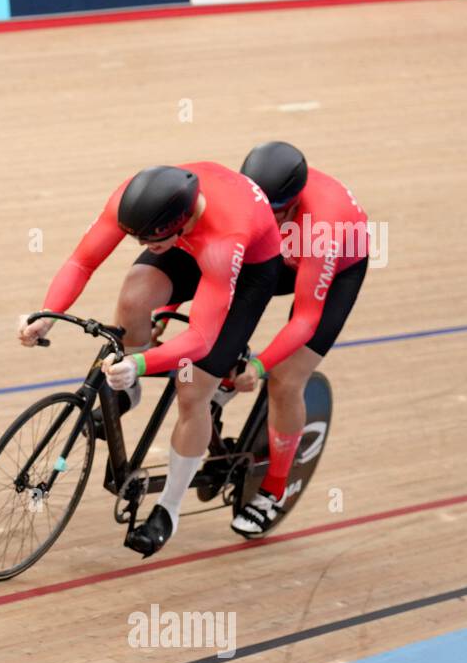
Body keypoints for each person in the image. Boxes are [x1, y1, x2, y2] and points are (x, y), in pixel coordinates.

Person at [17, 162, 280, 556]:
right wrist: (46, 315)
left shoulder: (225, 237)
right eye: (136, 238)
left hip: (247, 269)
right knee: (133, 297)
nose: (142, 247)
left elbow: (201, 336)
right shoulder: (134, 200)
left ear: (183, 221)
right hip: (190, 242)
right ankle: (131, 393)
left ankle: (169, 510)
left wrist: (138, 363)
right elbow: (82, 262)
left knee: (192, 390)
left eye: (150, 240)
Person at [230, 141, 369, 536]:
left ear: (291, 204)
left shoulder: (323, 227)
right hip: (287, 252)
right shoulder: (257, 203)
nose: (262, 218)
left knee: (285, 380)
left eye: (272, 213)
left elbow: (305, 320)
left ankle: (273, 490)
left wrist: (259, 366)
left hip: (336, 267)